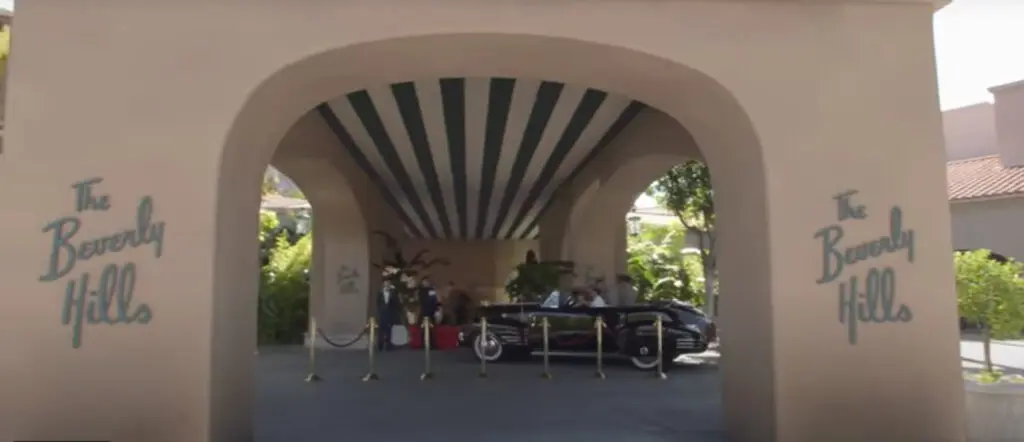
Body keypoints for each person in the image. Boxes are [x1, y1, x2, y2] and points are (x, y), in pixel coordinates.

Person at [375, 280, 401, 351]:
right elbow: (378, 303)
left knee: (389, 330)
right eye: (385, 284)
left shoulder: (393, 293)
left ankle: (389, 346)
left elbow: (397, 303)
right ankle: (380, 345)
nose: (387, 285)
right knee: (381, 330)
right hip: (382, 314)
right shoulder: (380, 293)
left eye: (388, 284)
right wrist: (381, 310)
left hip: (390, 314)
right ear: (383, 285)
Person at [417, 276, 438, 348]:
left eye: (427, 282)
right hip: (423, 312)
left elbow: (434, 300)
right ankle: (423, 344)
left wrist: (435, 309)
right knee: (423, 329)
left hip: (431, 312)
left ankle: (432, 344)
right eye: (424, 282)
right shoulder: (420, 291)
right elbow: (420, 301)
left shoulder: (431, 290)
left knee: (431, 329)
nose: (426, 283)